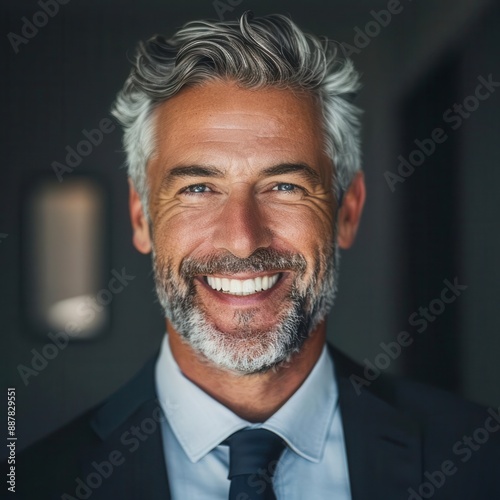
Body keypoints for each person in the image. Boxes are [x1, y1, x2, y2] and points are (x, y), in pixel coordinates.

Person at [17, 11, 500, 500]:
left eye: (284, 186)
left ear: (347, 211)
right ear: (141, 217)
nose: (243, 240)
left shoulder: (480, 458)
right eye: (199, 187)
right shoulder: (32, 483)